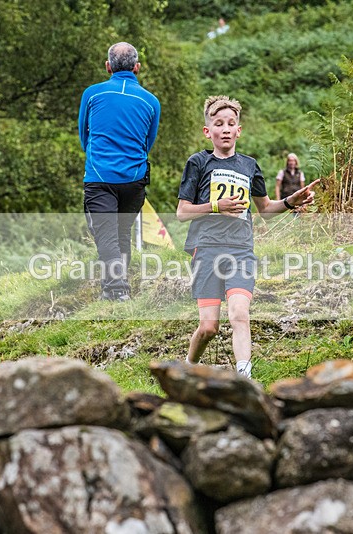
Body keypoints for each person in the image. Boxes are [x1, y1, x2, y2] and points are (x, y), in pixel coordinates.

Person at [177, 95, 319, 379]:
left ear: (239, 130)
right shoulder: (198, 163)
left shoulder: (250, 166)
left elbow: (265, 209)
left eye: (231, 123)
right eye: (219, 124)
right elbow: (182, 212)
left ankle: (245, 377)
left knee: (239, 314)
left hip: (241, 249)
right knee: (208, 328)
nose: (226, 129)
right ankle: (187, 369)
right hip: (206, 249)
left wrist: (292, 200)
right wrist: (217, 206)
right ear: (208, 131)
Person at [79, 42, 161, 301]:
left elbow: (84, 136)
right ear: (137, 68)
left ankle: (117, 290)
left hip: (100, 176)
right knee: (121, 233)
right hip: (134, 179)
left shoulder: (92, 94)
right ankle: (114, 289)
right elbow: (149, 141)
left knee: (106, 234)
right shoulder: (151, 102)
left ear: (107, 66)